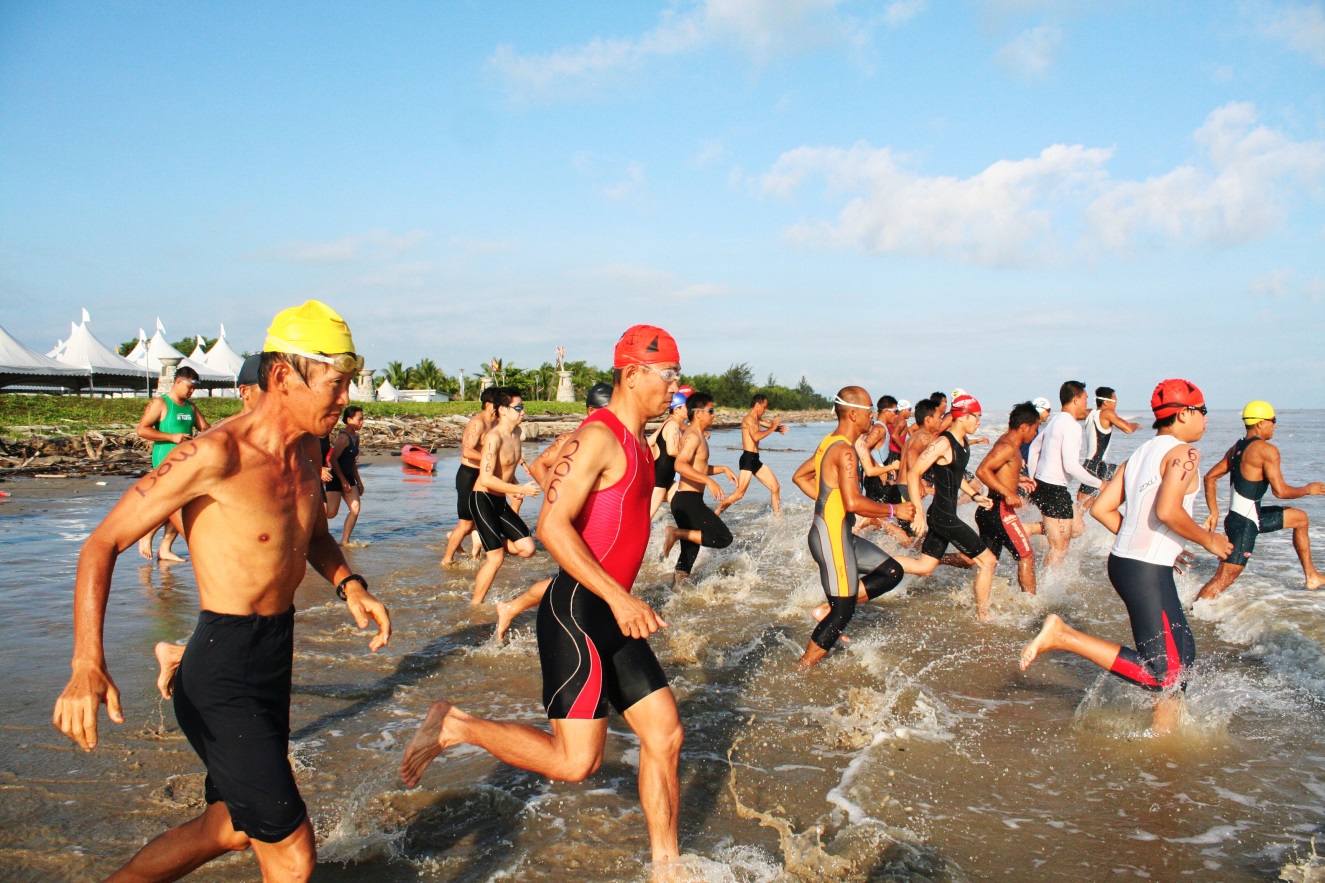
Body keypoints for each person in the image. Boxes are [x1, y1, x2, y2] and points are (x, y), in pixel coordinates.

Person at [54, 300, 391, 881]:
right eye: (336, 385)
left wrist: (349, 583)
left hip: (273, 655)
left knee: (232, 827)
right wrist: (87, 661)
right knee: (292, 853)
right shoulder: (216, 454)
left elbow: (311, 534)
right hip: (222, 668)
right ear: (284, 376)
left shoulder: (310, 450)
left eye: (348, 386)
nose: (344, 401)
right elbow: (101, 544)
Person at [401, 325, 685, 866]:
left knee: (666, 735)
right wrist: (621, 599)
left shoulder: (640, 443)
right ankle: (457, 725)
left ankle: (667, 868)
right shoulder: (598, 436)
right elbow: (553, 527)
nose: (675, 386)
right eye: (669, 374)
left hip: (611, 614)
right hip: (578, 611)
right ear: (633, 373)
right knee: (576, 763)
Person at [1021, 379, 1232, 734]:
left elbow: (1104, 509)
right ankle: (1062, 636)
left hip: (1132, 563)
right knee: (1164, 673)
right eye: (1203, 412)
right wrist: (1208, 540)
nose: (1206, 420)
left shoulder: (1140, 454)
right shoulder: (1185, 454)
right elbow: (1167, 511)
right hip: (1145, 569)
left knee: (1183, 656)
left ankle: (1163, 737)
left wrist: (1160, 544)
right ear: (1183, 414)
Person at [153, 354, 264, 699]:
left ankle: (182, 656)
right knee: (241, 610)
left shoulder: (266, 435)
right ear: (245, 392)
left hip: (244, 528)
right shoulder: (217, 436)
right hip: (179, 484)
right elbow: (105, 539)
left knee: (255, 618)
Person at [793, 388, 916, 668]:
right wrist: (896, 510)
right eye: (869, 410)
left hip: (839, 534)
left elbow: (800, 477)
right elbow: (853, 501)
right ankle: (801, 670)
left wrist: (828, 501)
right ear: (853, 413)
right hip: (831, 536)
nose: (872, 416)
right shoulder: (845, 450)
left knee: (892, 571)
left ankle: (831, 608)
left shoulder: (830, 442)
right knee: (843, 612)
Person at [495, 382, 612, 640]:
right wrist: (556, 497)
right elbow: (539, 465)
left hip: (596, 523)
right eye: (608, 410)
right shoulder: (571, 439)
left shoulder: (609, 439)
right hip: (574, 524)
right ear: (593, 411)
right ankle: (516, 610)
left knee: (581, 582)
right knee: (576, 583)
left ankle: (514, 609)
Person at [1196, 401, 1325, 600]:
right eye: (1272, 420)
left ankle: (1312, 576)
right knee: (1223, 579)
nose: (1274, 425)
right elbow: (1281, 492)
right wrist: (1309, 489)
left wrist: (1214, 512)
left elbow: (1210, 477)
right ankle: (1193, 613)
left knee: (1300, 518)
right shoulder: (1267, 450)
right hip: (1246, 524)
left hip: (1244, 518)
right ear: (1260, 423)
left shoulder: (1237, 447)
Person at [898, 394, 1000, 620]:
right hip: (942, 516)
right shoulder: (942, 443)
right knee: (988, 561)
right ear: (963, 416)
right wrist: (918, 514)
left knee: (924, 567)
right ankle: (984, 616)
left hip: (944, 513)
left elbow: (955, 475)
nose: (979, 422)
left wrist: (974, 495)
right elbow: (914, 472)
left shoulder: (962, 442)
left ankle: (877, 562)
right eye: (977, 417)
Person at [471, 389, 541, 605]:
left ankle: (485, 538)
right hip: (483, 498)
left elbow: (507, 468)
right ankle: (475, 605)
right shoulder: (493, 438)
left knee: (528, 548)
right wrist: (518, 490)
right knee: (496, 559)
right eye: (518, 408)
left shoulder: (518, 433)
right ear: (502, 410)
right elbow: (486, 478)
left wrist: (516, 486)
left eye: (522, 407)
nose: (523, 412)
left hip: (500, 500)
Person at [136, 365, 210, 562]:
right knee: (170, 505)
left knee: (182, 505)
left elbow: (206, 429)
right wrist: (172, 437)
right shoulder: (160, 403)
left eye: (194, 388)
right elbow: (142, 430)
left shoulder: (191, 407)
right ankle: (147, 535)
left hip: (186, 464)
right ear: (178, 382)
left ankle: (165, 548)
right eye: (189, 387)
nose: (192, 391)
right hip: (165, 462)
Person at [661, 392, 736, 585]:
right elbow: (680, 464)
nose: (714, 415)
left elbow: (698, 467)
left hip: (686, 500)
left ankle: (677, 590)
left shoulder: (698, 436)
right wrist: (708, 481)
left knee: (689, 554)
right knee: (722, 537)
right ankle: (676, 533)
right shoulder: (693, 436)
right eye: (711, 410)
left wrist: (723, 469)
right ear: (699, 413)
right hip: (688, 500)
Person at [1026, 380, 1099, 569]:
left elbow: (1034, 447)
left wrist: (1035, 478)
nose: (1086, 403)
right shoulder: (1072, 426)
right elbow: (1071, 466)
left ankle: (1030, 528)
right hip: (1053, 488)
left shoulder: (1056, 419)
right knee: (1059, 547)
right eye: (1085, 399)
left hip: (1047, 485)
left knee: (1077, 528)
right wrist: (1100, 484)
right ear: (1075, 400)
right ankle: (1045, 591)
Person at [974, 402, 1044, 595]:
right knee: (1027, 556)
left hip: (989, 511)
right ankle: (1031, 605)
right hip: (1000, 510)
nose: (1036, 433)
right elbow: (982, 470)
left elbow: (997, 470)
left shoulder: (1006, 442)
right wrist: (1009, 493)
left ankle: (982, 608)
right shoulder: (1008, 447)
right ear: (1024, 427)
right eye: (1035, 428)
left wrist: (1015, 479)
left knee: (988, 561)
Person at [441, 386, 500, 566]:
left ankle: (473, 553)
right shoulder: (478, 422)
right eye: (500, 404)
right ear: (489, 405)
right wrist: (488, 458)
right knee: (466, 523)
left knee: (480, 519)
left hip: (483, 475)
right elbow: (467, 450)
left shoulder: (495, 423)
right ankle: (446, 560)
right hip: (468, 475)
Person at [715, 394, 788, 516]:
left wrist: (777, 428)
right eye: (764, 407)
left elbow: (767, 425)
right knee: (739, 494)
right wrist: (773, 428)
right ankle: (716, 513)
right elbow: (756, 436)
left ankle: (778, 519)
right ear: (757, 405)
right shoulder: (748, 419)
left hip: (755, 460)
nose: (765, 410)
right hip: (748, 459)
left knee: (775, 487)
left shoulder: (757, 420)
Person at [1076, 386, 1141, 508]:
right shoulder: (1107, 413)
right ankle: (1067, 525)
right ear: (1106, 402)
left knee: (1129, 472)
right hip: (1093, 467)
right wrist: (1135, 425)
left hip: (1100, 466)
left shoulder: (1089, 413)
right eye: (1115, 401)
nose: (1116, 405)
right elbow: (1127, 429)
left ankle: (1130, 508)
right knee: (1081, 507)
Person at [324, 405, 366, 544]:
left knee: (355, 508)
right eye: (359, 419)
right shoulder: (343, 438)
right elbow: (333, 459)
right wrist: (342, 480)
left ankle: (345, 541)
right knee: (330, 513)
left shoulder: (356, 437)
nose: (361, 422)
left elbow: (352, 462)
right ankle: (310, 532)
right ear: (349, 419)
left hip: (349, 477)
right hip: (336, 477)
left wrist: (358, 481)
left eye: (362, 419)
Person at [648, 385, 691, 518]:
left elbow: (649, 442)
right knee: (646, 518)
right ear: (677, 409)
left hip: (664, 479)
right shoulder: (672, 425)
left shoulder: (668, 423)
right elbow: (672, 451)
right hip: (660, 481)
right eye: (687, 407)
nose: (689, 410)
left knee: (685, 506)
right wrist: (691, 457)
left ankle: (683, 533)